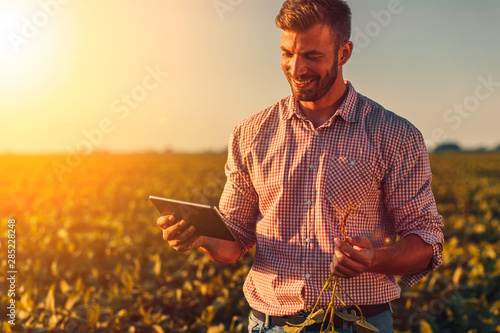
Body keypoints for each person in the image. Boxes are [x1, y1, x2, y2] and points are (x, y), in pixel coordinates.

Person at [157, 0, 444, 332]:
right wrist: (201, 237)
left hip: (358, 324)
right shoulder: (249, 133)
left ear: (344, 53)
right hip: (270, 324)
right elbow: (234, 241)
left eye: (312, 56)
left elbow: (426, 241)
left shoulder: (395, 135)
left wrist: (376, 259)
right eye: (287, 54)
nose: (295, 68)